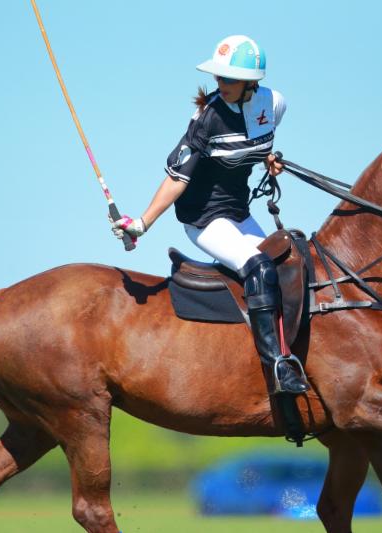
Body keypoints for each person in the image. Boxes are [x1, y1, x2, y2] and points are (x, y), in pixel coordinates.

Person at [110, 35, 309, 394]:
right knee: (260, 267)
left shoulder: (274, 103)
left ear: (251, 82)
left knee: (286, 266)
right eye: (217, 76)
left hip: (238, 212)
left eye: (228, 77)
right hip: (203, 218)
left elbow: (259, 142)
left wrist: (268, 159)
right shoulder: (207, 118)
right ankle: (277, 368)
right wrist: (142, 223)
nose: (220, 82)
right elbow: (177, 178)